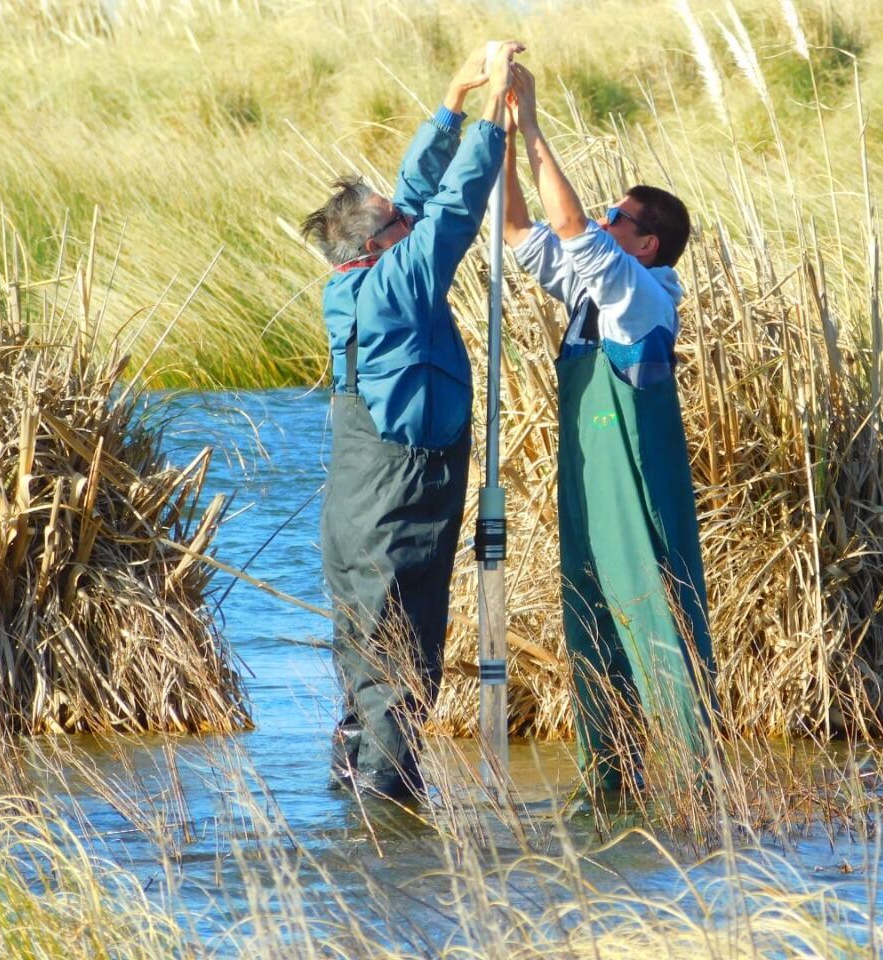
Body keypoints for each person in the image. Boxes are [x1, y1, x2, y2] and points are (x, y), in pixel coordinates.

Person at [301, 41, 522, 800]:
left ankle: (353, 782)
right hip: (401, 494)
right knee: (402, 649)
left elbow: (418, 199)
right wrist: (495, 122)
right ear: (382, 240)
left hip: (355, 501)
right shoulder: (402, 280)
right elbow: (454, 207)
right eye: (397, 221)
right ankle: (388, 819)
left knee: (364, 648)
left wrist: (454, 100)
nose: (407, 215)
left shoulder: (352, 278)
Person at [501, 64, 717, 793]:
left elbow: (569, 229)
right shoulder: (595, 290)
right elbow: (521, 230)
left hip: (639, 491)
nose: (600, 223)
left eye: (616, 219)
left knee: (657, 618)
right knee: (590, 622)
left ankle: (697, 784)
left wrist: (534, 125)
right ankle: (612, 780)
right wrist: (503, 136)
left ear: (646, 244)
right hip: (592, 487)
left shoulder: (639, 295)